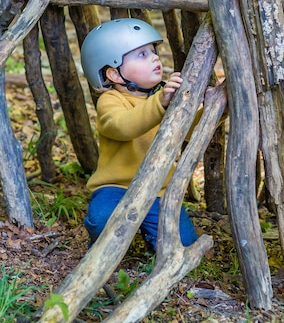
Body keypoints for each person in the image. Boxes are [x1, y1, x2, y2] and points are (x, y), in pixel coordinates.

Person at [80, 18, 199, 251]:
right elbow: (122, 127)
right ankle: (104, 245)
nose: (155, 57)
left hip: (159, 190)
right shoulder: (111, 100)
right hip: (116, 187)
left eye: (153, 51)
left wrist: (216, 107)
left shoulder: (164, 97)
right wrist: (160, 103)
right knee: (101, 220)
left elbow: (188, 129)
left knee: (183, 244)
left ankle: (151, 235)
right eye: (142, 55)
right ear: (114, 74)